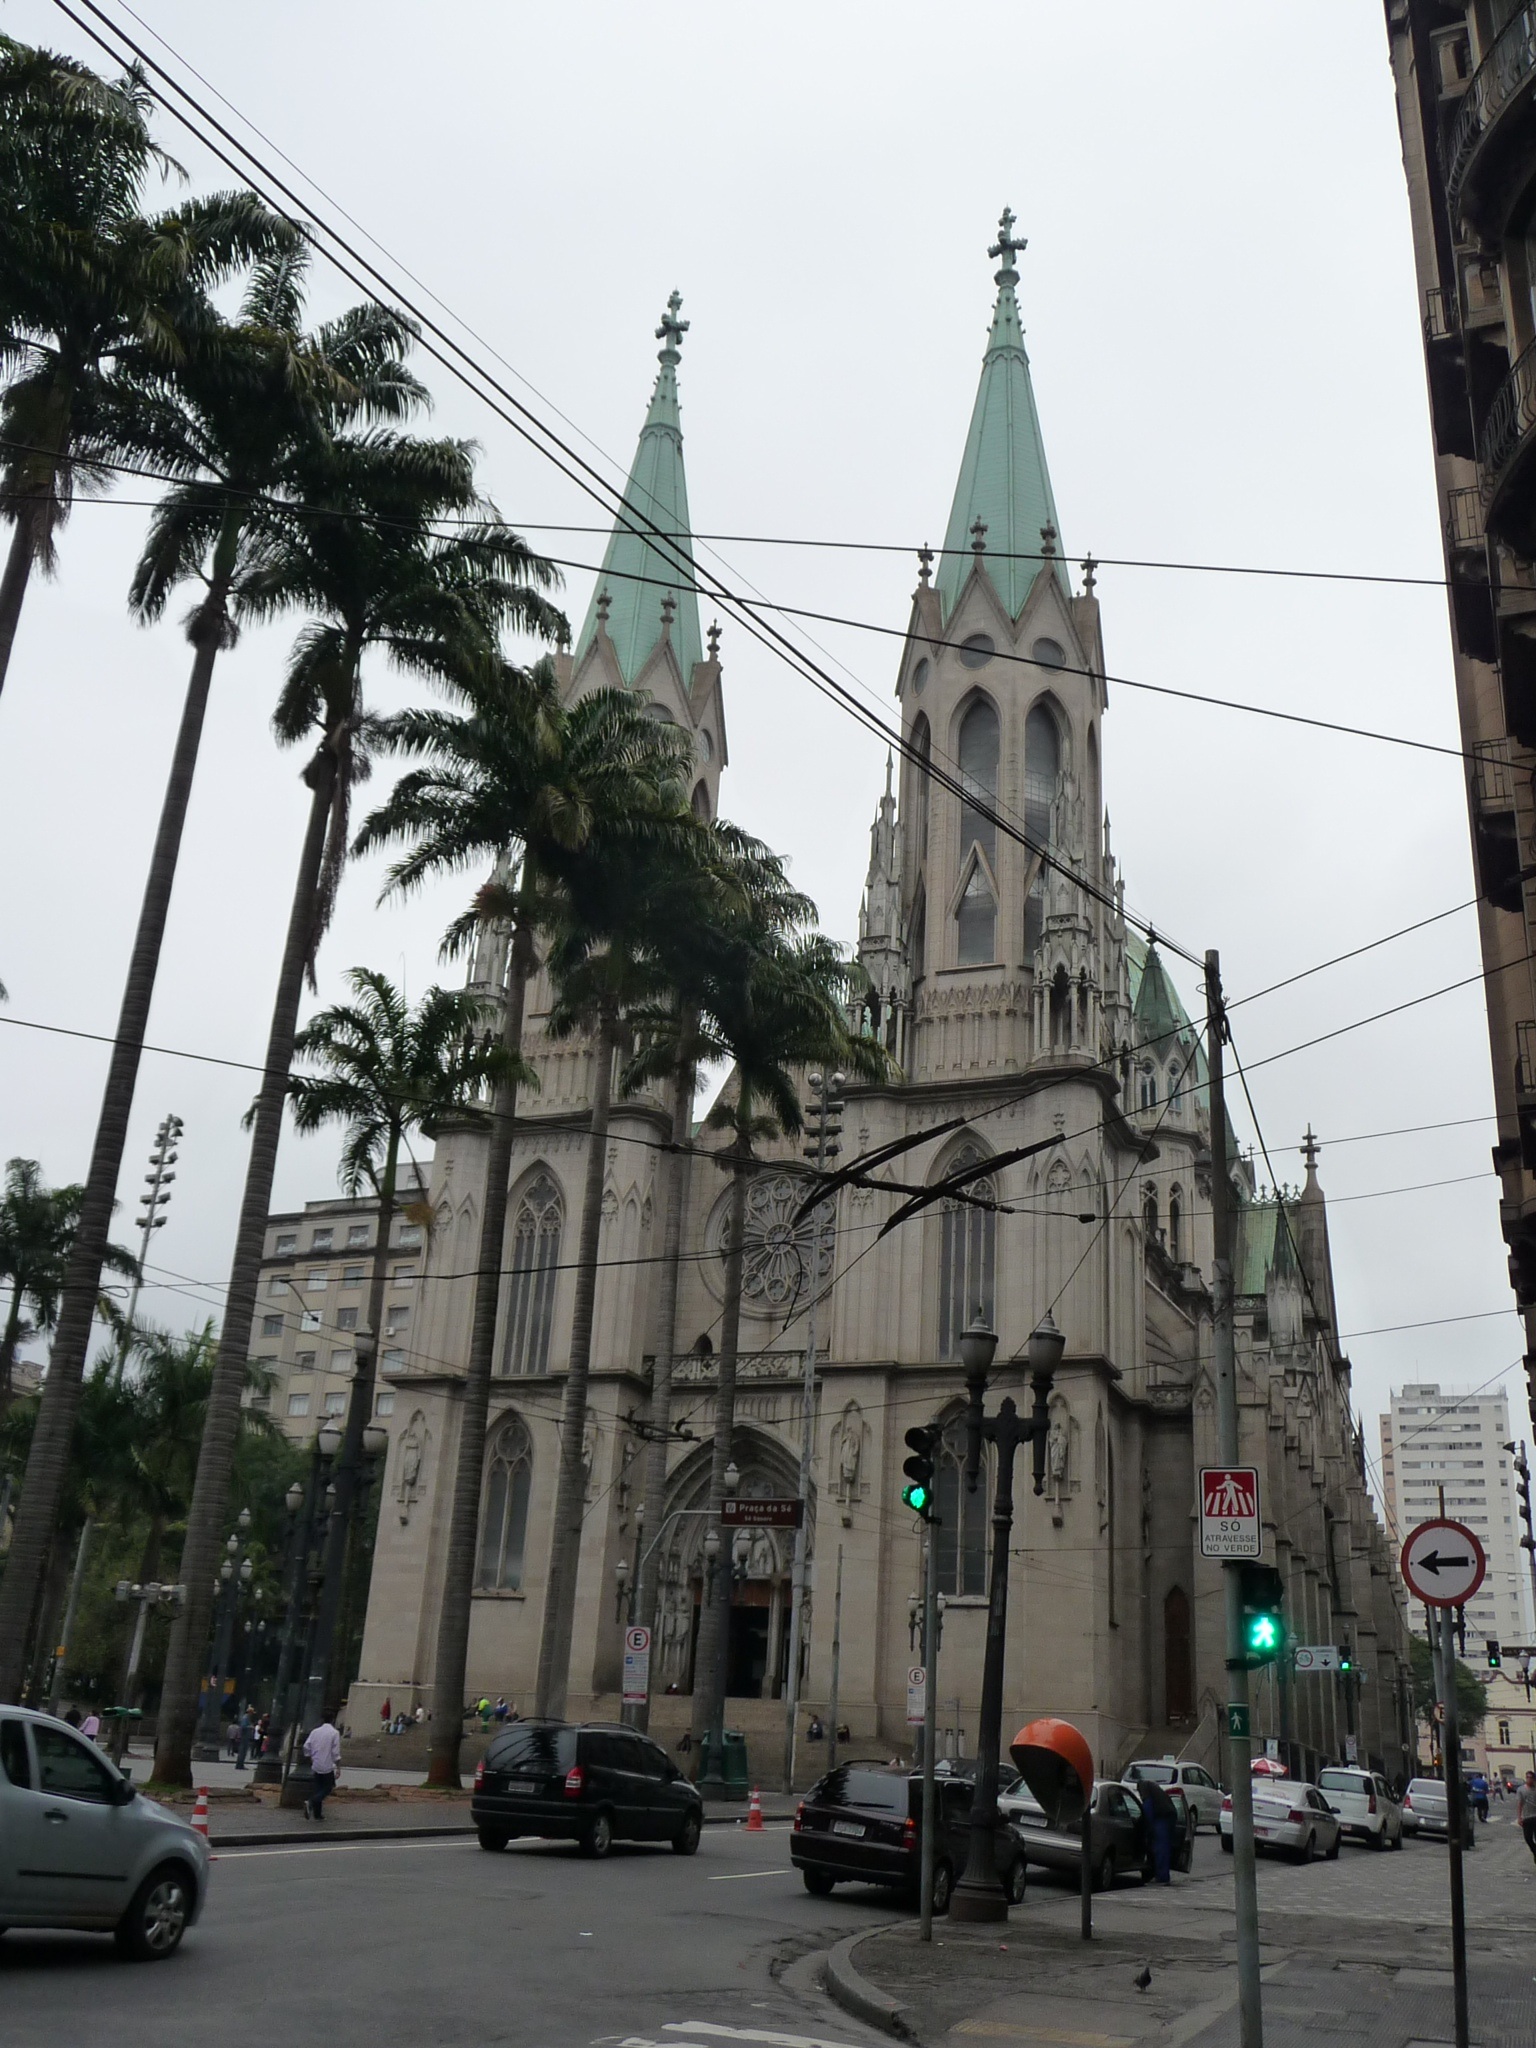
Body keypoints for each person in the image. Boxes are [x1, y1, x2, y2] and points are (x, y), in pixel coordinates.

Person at [1139, 1777, 1178, 1885]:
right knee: (1162, 1846)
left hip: (1163, 1817)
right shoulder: (1153, 1787)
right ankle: (1161, 1874)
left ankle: (1162, 1877)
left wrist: (1148, 1826)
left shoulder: (1144, 1787)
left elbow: (1148, 1807)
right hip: (1169, 1815)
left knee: (1160, 1847)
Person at [303, 1714, 343, 1821]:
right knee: (328, 1788)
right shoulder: (334, 1733)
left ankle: (318, 1814)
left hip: (316, 1764)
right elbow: (335, 1752)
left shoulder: (315, 1732)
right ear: (333, 1720)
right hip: (327, 1765)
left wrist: (310, 1757)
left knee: (318, 1788)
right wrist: (338, 1767)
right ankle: (311, 1802)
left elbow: (306, 1746)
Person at [1516, 1771, 1536, 1864]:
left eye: (1531, 1777)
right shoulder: (1521, 1790)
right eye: (1527, 1777)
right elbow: (1519, 1804)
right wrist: (1519, 1817)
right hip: (1527, 1817)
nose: (1529, 1779)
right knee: (1528, 1838)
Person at [234, 1706, 256, 1771]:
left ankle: (240, 1764)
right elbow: (243, 1726)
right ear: (249, 1712)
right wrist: (250, 1727)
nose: (252, 1715)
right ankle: (239, 1764)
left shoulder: (246, 1718)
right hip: (244, 1736)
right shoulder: (245, 1718)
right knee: (242, 1751)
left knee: (243, 1751)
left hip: (245, 1736)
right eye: (252, 1713)